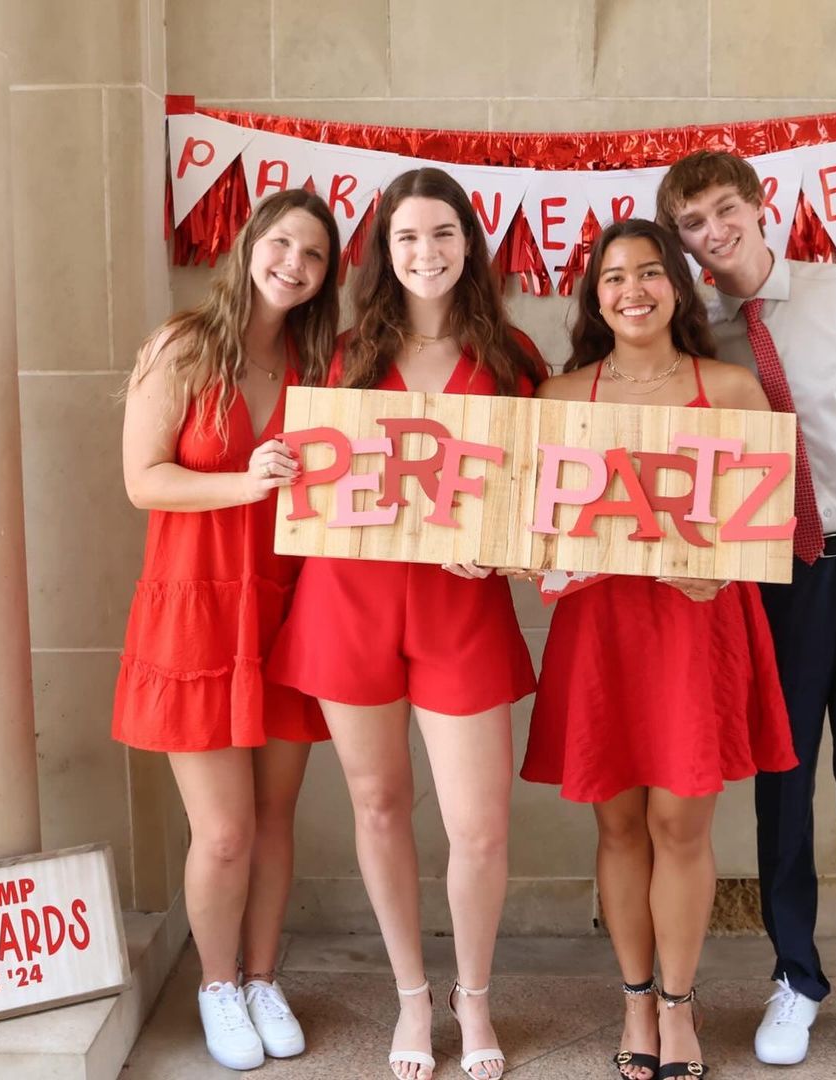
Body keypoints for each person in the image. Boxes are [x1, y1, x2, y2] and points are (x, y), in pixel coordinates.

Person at [656, 151, 836, 1071]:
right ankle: (796, 978)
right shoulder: (697, 335)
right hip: (775, 582)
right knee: (780, 786)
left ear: (759, 203)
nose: (713, 232)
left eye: (724, 209)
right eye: (692, 223)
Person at [267, 167, 545, 1080]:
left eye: (442, 233)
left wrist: (502, 550)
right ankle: (412, 997)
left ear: (469, 242)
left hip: (461, 610)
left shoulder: (513, 357)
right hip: (349, 603)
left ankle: (475, 996)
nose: (426, 252)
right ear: (384, 253)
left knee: (481, 828)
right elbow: (301, 462)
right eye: (407, 237)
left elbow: (539, 498)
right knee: (379, 805)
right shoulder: (338, 353)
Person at [520, 218, 798, 1080]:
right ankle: (636, 998)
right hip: (600, 629)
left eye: (649, 272)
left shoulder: (733, 389)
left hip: (696, 628)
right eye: (613, 277)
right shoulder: (560, 397)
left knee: (680, 822)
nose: (631, 290)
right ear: (594, 297)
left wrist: (724, 567)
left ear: (678, 287)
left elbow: (773, 518)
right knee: (617, 820)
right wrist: (520, 554)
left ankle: (679, 1004)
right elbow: (533, 527)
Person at [114, 189, 341, 1069]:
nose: (294, 263)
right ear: (248, 245)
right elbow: (145, 481)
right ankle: (217, 985)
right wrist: (247, 483)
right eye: (282, 243)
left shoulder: (318, 361)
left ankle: (262, 978)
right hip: (197, 612)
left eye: (314, 254)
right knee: (224, 832)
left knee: (275, 818)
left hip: (288, 608)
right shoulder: (183, 345)